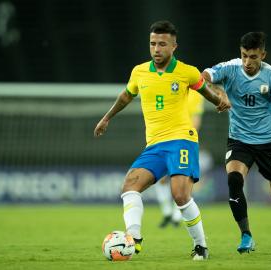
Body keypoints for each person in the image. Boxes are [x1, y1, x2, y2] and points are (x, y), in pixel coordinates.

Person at [94, 20, 230, 260]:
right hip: (155, 144)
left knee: (180, 194)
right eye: (152, 44)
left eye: (162, 44)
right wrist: (106, 118)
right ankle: (133, 239)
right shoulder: (139, 71)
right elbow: (126, 96)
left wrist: (219, 100)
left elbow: (204, 90)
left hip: (181, 140)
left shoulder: (186, 71)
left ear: (174, 46)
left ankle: (201, 245)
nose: (156, 49)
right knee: (129, 187)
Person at [202, 31, 271, 254]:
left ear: (263, 54)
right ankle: (246, 235)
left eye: (253, 57)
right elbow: (202, 77)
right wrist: (218, 91)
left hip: (269, 142)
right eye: (244, 55)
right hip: (239, 140)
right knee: (233, 180)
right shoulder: (230, 68)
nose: (247, 62)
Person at [155, 90, 205, 228]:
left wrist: (187, 140)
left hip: (184, 141)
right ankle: (167, 213)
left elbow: (196, 120)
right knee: (161, 178)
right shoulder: (168, 87)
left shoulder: (196, 94)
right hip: (165, 138)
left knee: (184, 179)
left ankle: (177, 216)